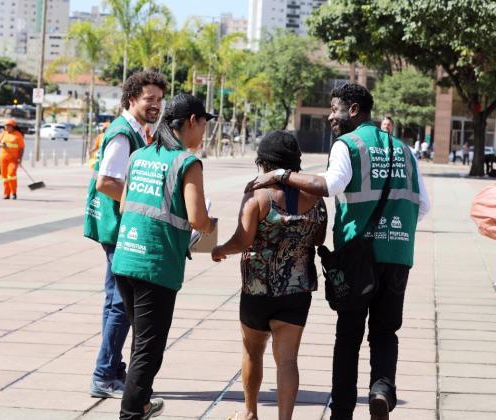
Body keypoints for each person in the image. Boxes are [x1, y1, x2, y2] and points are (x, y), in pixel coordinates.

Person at [248, 83, 430, 420]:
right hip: (399, 256)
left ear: (354, 110)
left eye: (335, 109)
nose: (331, 116)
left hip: (357, 257)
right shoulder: (405, 151)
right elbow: (423, 207)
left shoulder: (348, 145)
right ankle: (381, 390)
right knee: (385, 332)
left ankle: (342, 412)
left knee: (348, 336)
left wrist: (282, 175)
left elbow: (328, 186)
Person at [110, 93, 217, 420]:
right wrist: (211, 223)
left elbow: (124, 204)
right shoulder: (186, 162)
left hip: (126, 259)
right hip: (155, 266)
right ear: (191, 122)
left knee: (141, 342)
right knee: (148, 349)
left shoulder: (139, 156)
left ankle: (141, 403)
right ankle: (131, 413)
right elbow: (198, 219)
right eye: (204, 125)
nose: (204, 134)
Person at [211, 131, 327, 420]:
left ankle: (250, 412)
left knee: (253, 352)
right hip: (297, 291)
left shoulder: (258, 195)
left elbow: (242, 239)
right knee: (287, 360)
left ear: (263, 163)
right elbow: (318, 238)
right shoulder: (314, 197)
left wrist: (219, 249)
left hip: (257, 290)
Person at [83, 71, 167, 400]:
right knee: (121, 304)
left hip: (118, 227)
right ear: (132, 98)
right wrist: (141, 202)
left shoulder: (134, 130)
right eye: (149, 99)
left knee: (114, 302)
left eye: (159, 100)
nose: (155, 105)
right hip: (119, 228)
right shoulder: (122, 133)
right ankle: (104, 374)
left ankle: (111, 368)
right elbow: (106, 181)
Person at [0, 119, 25, 199]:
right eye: (6, 125)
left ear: (13, 127)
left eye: (9, 126)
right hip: (3, 158)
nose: (7, 127)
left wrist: (20, 159)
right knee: (4, 177)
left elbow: (22, 148)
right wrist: (2, 145)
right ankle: (6, 194)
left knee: (11, 174)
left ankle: (14, 192)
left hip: (13, 159)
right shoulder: (2, 134)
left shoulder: (18, 135)